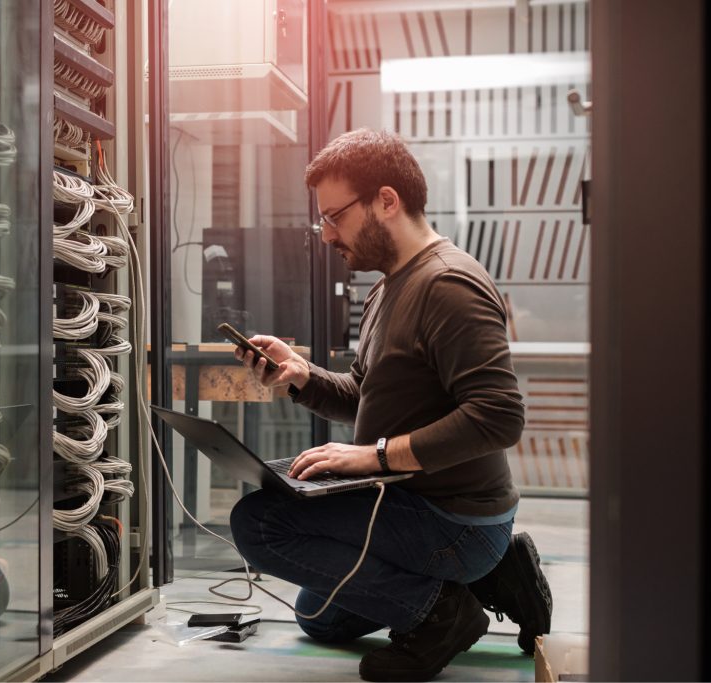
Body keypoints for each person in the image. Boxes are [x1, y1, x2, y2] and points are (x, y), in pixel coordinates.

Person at [229, 129, 552, 682]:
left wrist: (374, 458)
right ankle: (492, 577)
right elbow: (364, 394)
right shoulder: (388, 286)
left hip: (453, 518)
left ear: (386, 199)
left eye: (335, 216)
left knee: (260, 524)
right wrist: (301, 377)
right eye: (322, 220)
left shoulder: (447, 284)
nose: (327, 235)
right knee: (318, 618)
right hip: (412, 500)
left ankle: (444, 612)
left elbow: (499, 416)